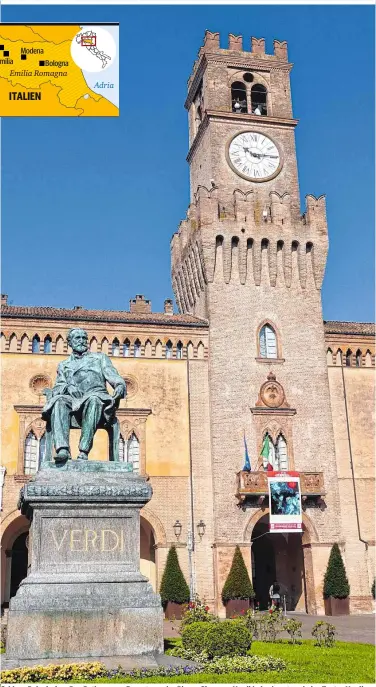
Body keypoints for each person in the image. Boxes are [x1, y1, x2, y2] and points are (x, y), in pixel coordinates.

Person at [42, 328, 126, 463]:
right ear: (70, 342)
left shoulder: (99, 358)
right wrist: (68, 387)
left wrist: (120, 385)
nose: (81, 341)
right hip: (73, 400)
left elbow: (113, 375)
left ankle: (84, 450)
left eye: (84, 338)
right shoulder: (64, 365)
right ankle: (62, 449)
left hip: (97, 397)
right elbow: (59, 386)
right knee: (59, 402)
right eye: (77, 338)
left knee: (94, 400)